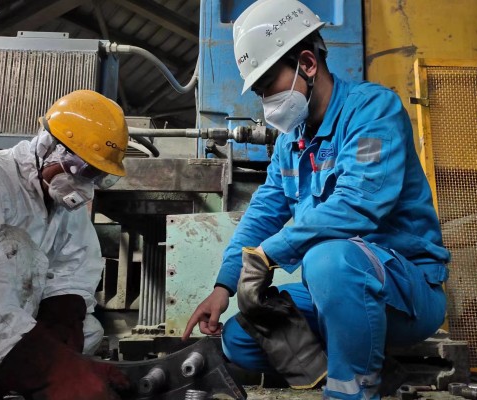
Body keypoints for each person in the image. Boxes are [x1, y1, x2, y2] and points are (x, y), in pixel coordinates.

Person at [183, 1, 451, 399]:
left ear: (307, 64)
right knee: (241, 336)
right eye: (258, 91)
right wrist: (224, 286)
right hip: (334, 291)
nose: (266, 102)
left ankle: (351, 391)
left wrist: (270, 254)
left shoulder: (372, 111)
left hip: (405, 291)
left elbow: (357, 204)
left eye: (268, 84)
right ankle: (373, 364)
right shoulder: (290, 143)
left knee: (328, 260)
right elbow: (262, 215)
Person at [0, 89, 130, 399]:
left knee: (90, 330)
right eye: (83, 170)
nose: (86, 185)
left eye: (98, 176)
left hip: (14, 335)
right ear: (49, 147)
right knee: (16, 245)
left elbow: (75, 266)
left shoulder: (64, 205)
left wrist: (62, 324)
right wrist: (49, 369)